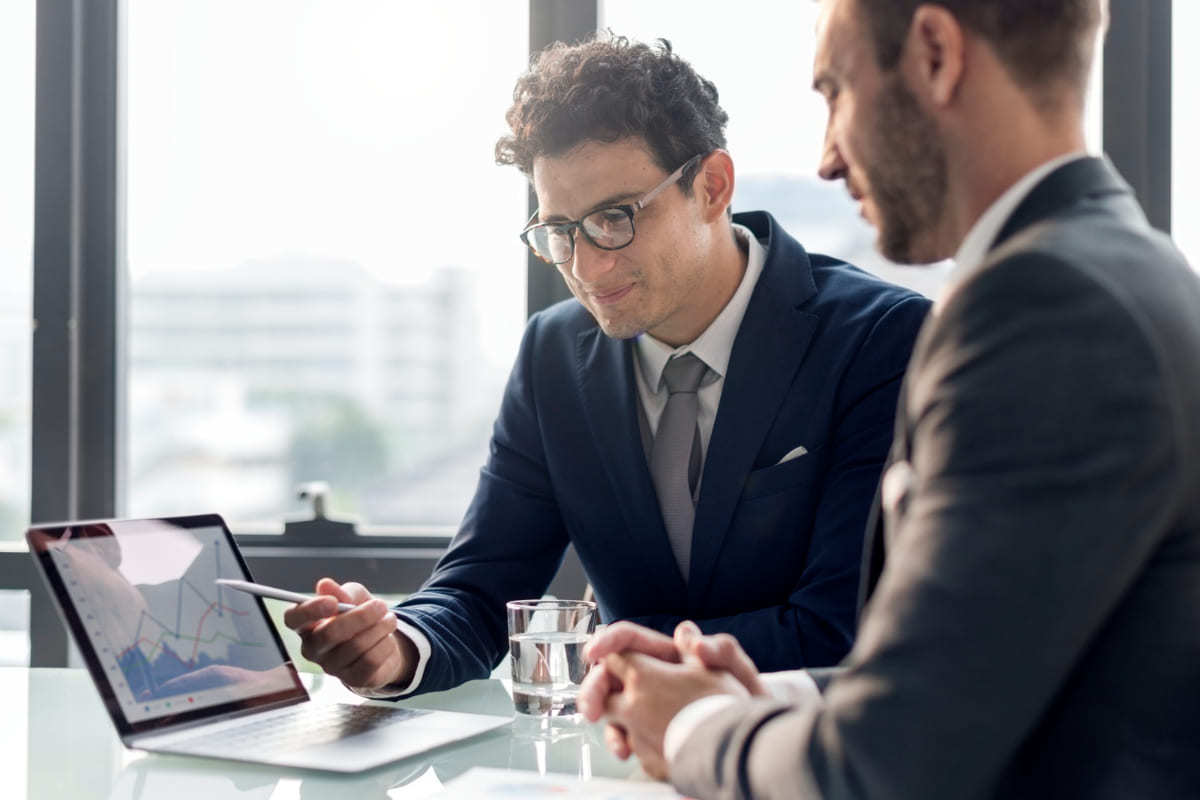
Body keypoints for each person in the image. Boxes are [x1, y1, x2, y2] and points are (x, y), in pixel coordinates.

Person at [579, 1, 1200, 797]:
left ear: (936, 53)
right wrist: (767, 695)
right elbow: (982, 664)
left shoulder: (1042, 310)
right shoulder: (1133, 271)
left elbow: (881, 769)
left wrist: (692, 727)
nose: (828, 159)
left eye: (835, 92)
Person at [283, 35, 929, 698]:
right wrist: (393, 648)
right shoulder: (552, 356)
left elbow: (842, 629)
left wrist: (627, 664)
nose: (588, 268)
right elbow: (479, 588)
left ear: (711, 186)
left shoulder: (879, 342)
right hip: (620, 762)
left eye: (615, 219)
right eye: (560, 231)